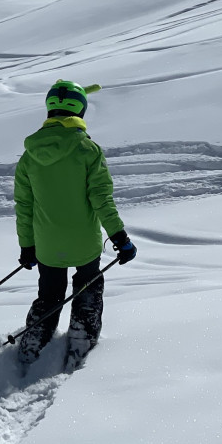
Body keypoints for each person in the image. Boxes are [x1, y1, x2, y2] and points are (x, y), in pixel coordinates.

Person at [13, 80, 136, 366]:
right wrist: (119, 237)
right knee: (88, 288)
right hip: (84, 243)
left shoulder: (29, 156)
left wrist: (27, 246)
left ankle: (35, 339)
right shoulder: (88, 150)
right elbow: (101, 200)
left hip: (47, 245)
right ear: (81, 110)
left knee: (50, 293)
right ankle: (82, 335)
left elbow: (24, 207)